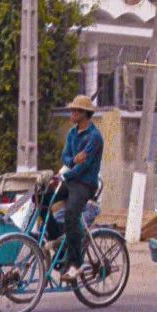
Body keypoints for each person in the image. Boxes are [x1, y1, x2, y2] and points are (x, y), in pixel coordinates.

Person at [55, 95, 104, 281]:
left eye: (75, 111)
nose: (72, 113)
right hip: (70, 180)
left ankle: (76, 264)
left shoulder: (95, 137)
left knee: (71, 214)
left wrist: (67, 172)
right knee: (41, 200)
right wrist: (72, 161)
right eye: (72, 110)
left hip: (85, 184)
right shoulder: (71, 133)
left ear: (85, 114)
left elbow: (83, 167)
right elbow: (65, 157)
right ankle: (57, 245)